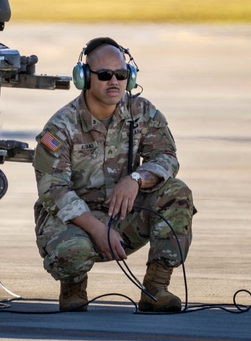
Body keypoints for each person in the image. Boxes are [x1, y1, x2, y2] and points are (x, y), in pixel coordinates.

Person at [33, 37, 195, 313]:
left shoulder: (141, 112)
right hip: (76, 222)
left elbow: (166, 157)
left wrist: (136, 180)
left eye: (121, 75)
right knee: (74, 254)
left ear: (130, 78)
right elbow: (53, 190)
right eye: (105, 75)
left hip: (123, 215)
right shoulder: (61, 126)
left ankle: (156, 288)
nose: (114, 82)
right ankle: (73, 286)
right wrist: (97, 229)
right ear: (84, 77)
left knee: (177, 193)